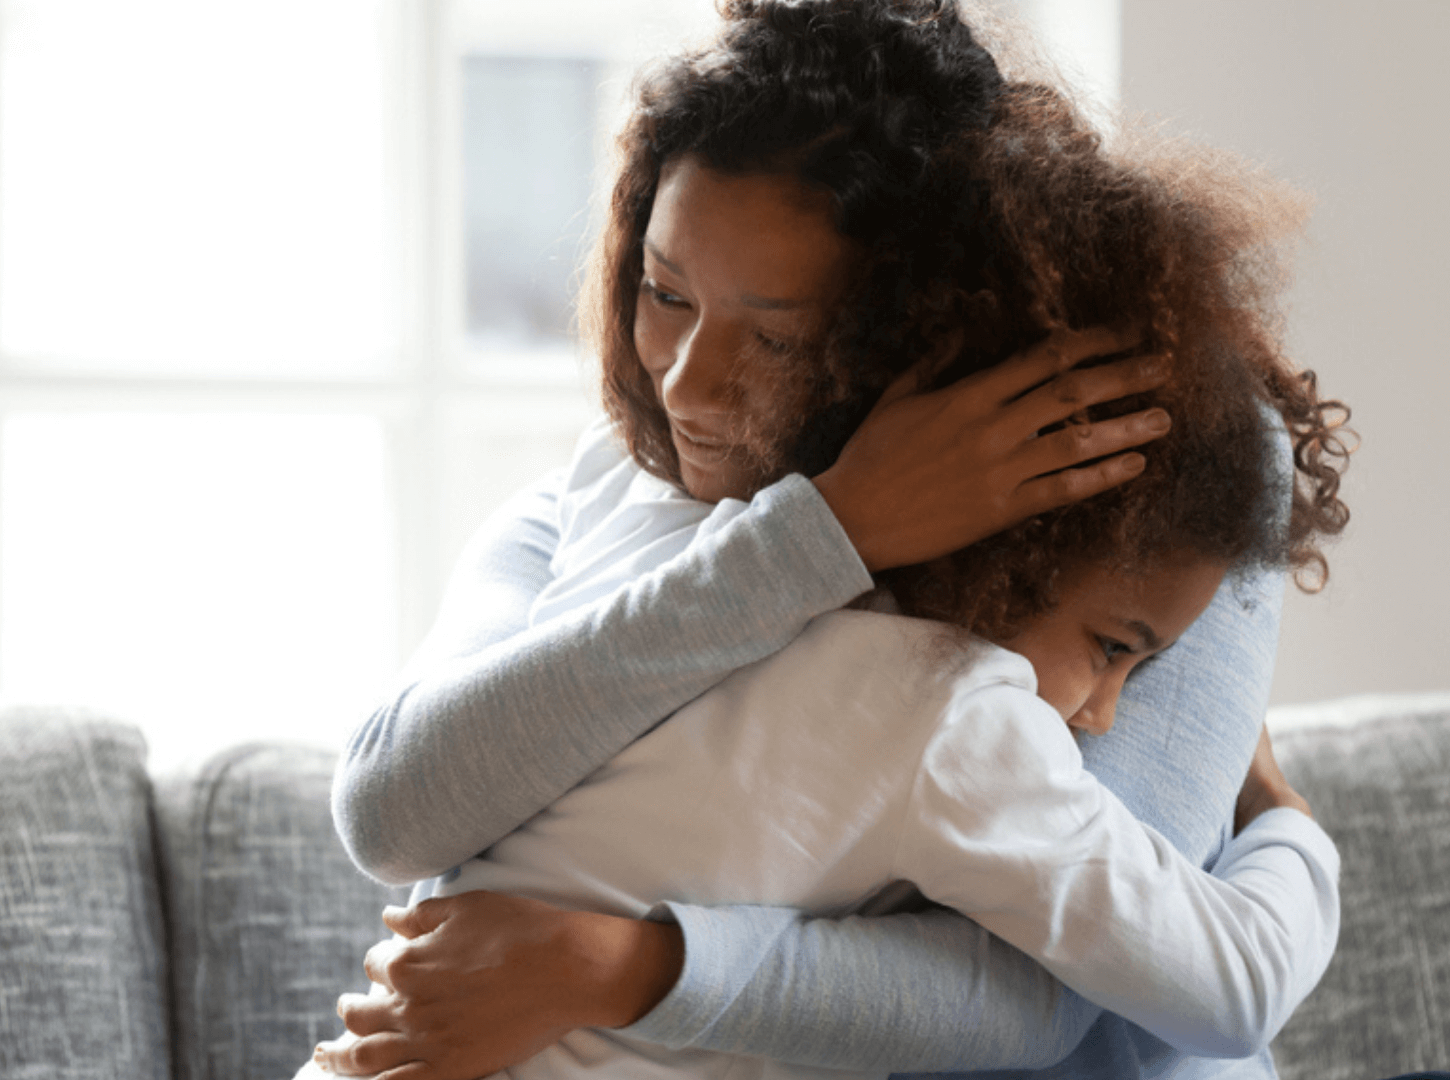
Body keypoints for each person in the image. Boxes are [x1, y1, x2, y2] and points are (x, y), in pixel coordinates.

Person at [317, 1, 1351, 1077]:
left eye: (775, 337)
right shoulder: (619, 492)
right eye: (663, 292)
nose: (685, 384)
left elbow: (1041, 1010)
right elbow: (397, 809)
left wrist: (626, 966)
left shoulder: (1140, 475)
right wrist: (825, 533)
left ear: (901, 337)